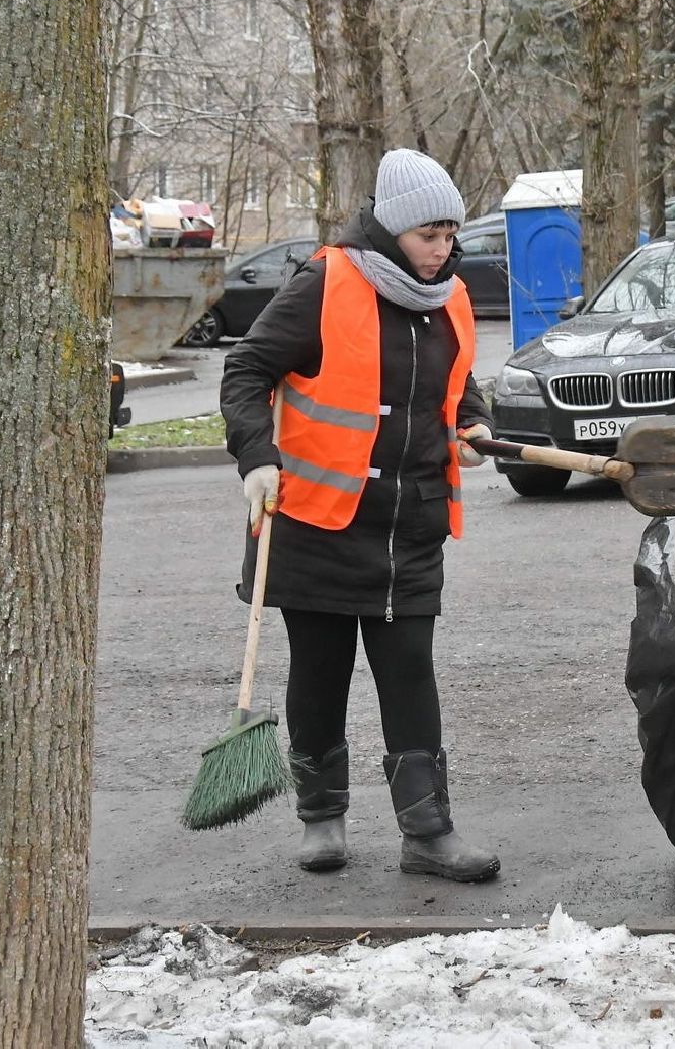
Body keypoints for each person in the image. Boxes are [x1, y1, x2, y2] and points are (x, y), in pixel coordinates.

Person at [220, 148, 499, 884]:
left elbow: (456, 382)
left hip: (409, 525)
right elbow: (247, 369)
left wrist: (470, 422)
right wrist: (255, 458)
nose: (442, 250)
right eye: (428, 236)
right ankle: (322, 819)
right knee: (320, 671)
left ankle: (428, 833)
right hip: (315, 520)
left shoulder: (450, 297)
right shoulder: (327, 281)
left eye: (449, 235)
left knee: (410, 671)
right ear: (392, 229)